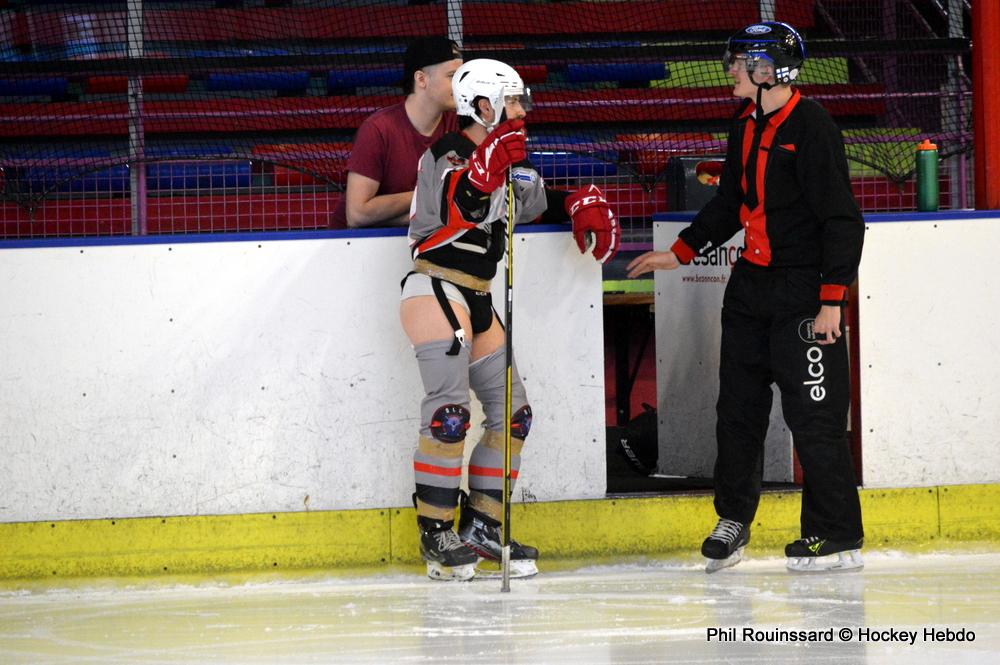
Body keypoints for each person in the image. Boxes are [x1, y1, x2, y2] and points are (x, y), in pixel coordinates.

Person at [627, 22, 865, 573]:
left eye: (739, 62)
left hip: (804, 294)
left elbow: (842, 221)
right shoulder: (746, 123)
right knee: (737, 411)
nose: (729, 70)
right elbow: (732, 199)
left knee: (814, 416)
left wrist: (832, 301)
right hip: (750, 289)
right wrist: (681, 251)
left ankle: (835, 535)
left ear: (767, 70)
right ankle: (733, 522)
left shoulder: (814, 128)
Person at [400, 58, 620, 581]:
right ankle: (435, 533)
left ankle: (482, 525)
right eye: (513, 100)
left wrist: (577, 202)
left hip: (477, 295)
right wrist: (490, 163)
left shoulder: (511, 157)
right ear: (483, 104)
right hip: (436, 285)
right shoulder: (447, 153)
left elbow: (530, 199)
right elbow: (463, 205)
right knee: (449, 415)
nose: (522, 110)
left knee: (515, 414)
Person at [330, 36, 462, 229]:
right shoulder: (378, 129)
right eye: (452, 76)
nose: (461, 85)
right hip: (353, 249)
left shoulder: (458, 125)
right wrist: (431, 194)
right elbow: (357, 215)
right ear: (421, 79)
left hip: (418, 242)